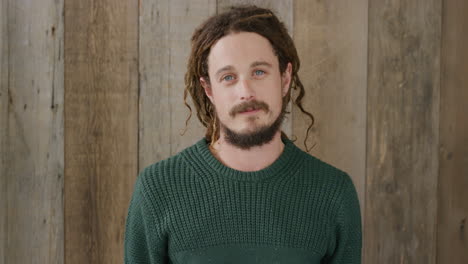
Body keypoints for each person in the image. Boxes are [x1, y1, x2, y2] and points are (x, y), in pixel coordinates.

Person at [124, 5, 361, 264]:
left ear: (284, 78)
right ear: (209, 90)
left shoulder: (333, 192)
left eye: (259, 72)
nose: (245, 91)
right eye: (228, 77)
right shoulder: (158, 189)